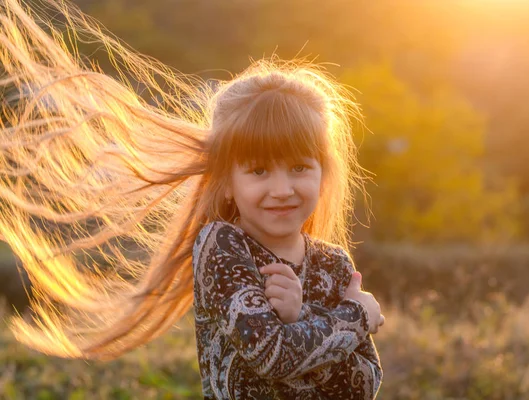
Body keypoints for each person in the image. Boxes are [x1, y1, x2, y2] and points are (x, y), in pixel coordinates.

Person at [0, 0, 384, 398]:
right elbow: (271, 355)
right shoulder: (222, 246)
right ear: (227, 180)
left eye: (299, 168)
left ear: (324, 173)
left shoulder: (334, 264)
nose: (282, 189)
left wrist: (303, 318)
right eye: (258, 171)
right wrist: (354, 316)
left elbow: (364, 385)